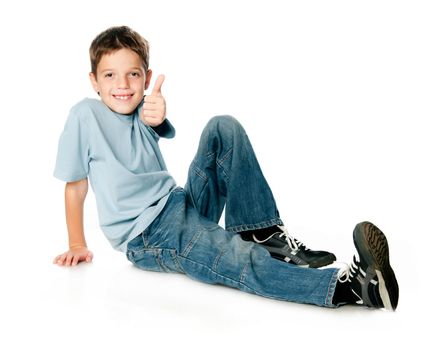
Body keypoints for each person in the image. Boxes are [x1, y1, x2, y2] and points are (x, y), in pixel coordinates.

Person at [53, 25, 399, 310]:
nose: (122, 85)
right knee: (236, 258)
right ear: (94, 80)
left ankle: (262, 232)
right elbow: (76, 184)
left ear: (146, 79)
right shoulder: (85, 115)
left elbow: (152, 119)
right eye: (110, 75)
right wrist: (77, 242)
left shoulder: (144, 107)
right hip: (149, 236)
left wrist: (156, 113)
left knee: (223, 127)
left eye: (133, 74)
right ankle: (351, 289)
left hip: (178, 204)